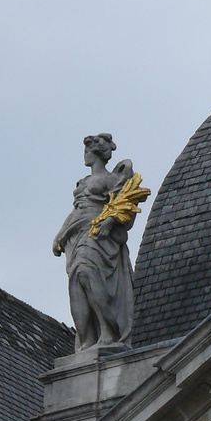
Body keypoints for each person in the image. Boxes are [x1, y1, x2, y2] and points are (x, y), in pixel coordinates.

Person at [52, 134, 138, 350]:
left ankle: (108, 330)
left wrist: (110, 221)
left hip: (97, 233)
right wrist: (60, 234)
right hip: (76, 234)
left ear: (97, 154)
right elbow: (76, 211)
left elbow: (127, 206)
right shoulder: (82, 183)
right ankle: (88, 336)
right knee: (77, 281)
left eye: (87, 151)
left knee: (86, 272)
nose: (85, 155)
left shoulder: (111, 180)